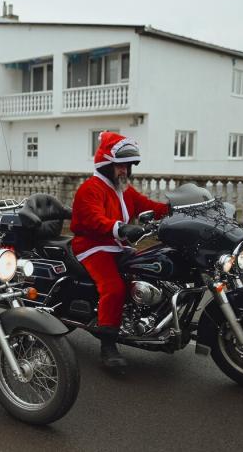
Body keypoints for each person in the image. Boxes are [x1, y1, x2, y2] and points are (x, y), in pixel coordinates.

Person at [70, 132, 169, 368]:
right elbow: (94, 219)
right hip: (93, 246)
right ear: (107, 165)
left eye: (127, 166)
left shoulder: (125, 190)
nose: (124, 171)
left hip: (118, 246)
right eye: (120, 166)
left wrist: (176, 209)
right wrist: (121, 229)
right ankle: (108, 345)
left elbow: (150, 207)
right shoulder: (90, 189)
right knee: (113, 287)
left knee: (150, 272)